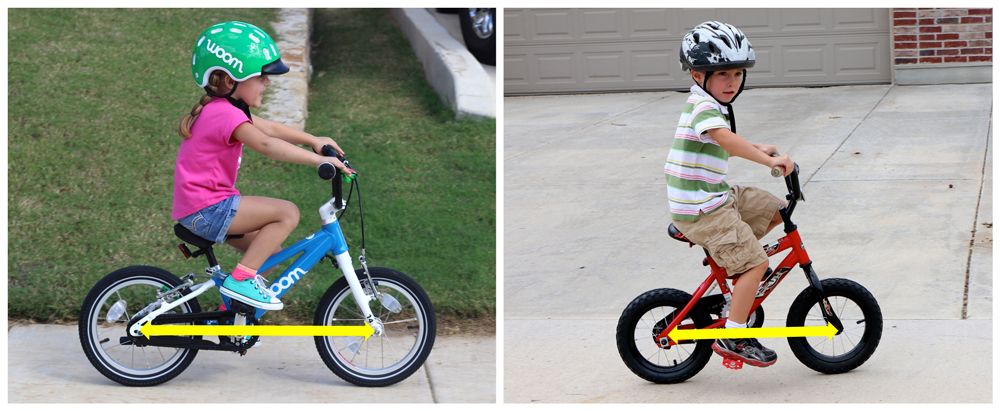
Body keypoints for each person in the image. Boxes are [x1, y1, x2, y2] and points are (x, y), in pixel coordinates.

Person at [173, 21, 354, 311]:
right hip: (207, 210)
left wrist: (314, 139)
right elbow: (266, 144)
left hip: (203, 209)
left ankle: (229, 316)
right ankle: (240, 281)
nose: (267, 83)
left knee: (269, 255)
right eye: (261, 77)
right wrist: (319, 160)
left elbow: (269, 128)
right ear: (232, 78)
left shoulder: (223, 110)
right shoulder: (223, 115)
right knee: (287, 212)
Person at [665, 21, 795, 367]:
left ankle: (733, 272)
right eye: (722, 74)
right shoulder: (702, 106)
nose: (731, 82)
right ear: (697, 74)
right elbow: (725, 140)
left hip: (713, 195)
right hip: (702, 208)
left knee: (774, 209)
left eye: (737, 74)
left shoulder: (710, 106)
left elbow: (721, 139)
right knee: (757, 263)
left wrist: (757, 146)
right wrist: (768, 160)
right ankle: (733, 334)